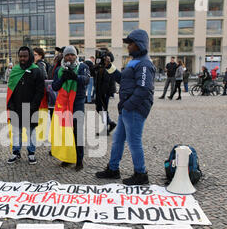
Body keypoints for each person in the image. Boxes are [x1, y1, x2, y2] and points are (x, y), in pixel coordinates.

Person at [95, 29, 155, 185]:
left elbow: (144, 89)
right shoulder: (134, 62)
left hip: (134, 109)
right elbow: (123, 80)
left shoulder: (144, 64)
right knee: (118, 140)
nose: (128, 46)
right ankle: (113, 169)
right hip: (127, 109)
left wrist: (128, 105)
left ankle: (141, 173)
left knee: (134, 141)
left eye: (131, 43)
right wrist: (110, 67)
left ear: (139, 44)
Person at [51, 45, 90, 171]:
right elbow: (55, 87)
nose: (70, 57)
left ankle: (79, 160)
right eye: (67, 55)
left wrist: (74, 77)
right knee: (66, 132)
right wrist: (62, 79)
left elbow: (86, 80)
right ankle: (68, 158)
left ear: (76, 56)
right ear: (64, 56)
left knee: (77, 132)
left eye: (72, 54)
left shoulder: (82, 66)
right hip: (63, 104)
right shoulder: (59, 70)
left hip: (77, 102)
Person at [6, 46, 45, 165]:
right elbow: (10, 89)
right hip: (16, 107)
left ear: (30, 57)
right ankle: (16, 152)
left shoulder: (36, 70)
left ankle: (31, 153)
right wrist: (11, 105)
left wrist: (34, 105)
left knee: (31, 132)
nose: (23, 58)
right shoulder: (15, 70)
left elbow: (40, 91)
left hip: (31, 107)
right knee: (16, 132)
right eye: (21, 56)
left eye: (25, 56)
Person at [94, 51, 117, 133]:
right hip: (101, 90)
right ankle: (110, 122)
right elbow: (94, 70)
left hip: (104, 91)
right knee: (100, 108)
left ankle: (106, 127)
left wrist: (103, 93)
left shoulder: (108, 67)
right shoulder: (101, 66)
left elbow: (107, 81)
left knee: (103, 109)